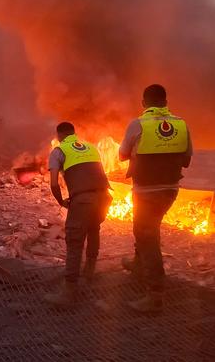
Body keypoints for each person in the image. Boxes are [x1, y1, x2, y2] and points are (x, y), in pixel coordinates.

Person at [119, 84, 193, 313]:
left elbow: (122, 155)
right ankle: (139, 264)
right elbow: (187, 159)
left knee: (147, 235)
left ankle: (155, 295)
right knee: (145, 229)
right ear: (165, 101)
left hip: (146, 191)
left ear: (144, 103)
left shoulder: (138, 124)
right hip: (170, 190)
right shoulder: (181, 124)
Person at [43, 122, 112, 307]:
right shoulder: (91, 147)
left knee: (74, 240)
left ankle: (69, 292)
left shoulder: (58, 151)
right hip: (104, 196)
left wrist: (61, 201)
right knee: (93, 228)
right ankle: (89, 272)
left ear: (59, 136)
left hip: (83, 199)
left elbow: (54, 184)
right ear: (74, 133)